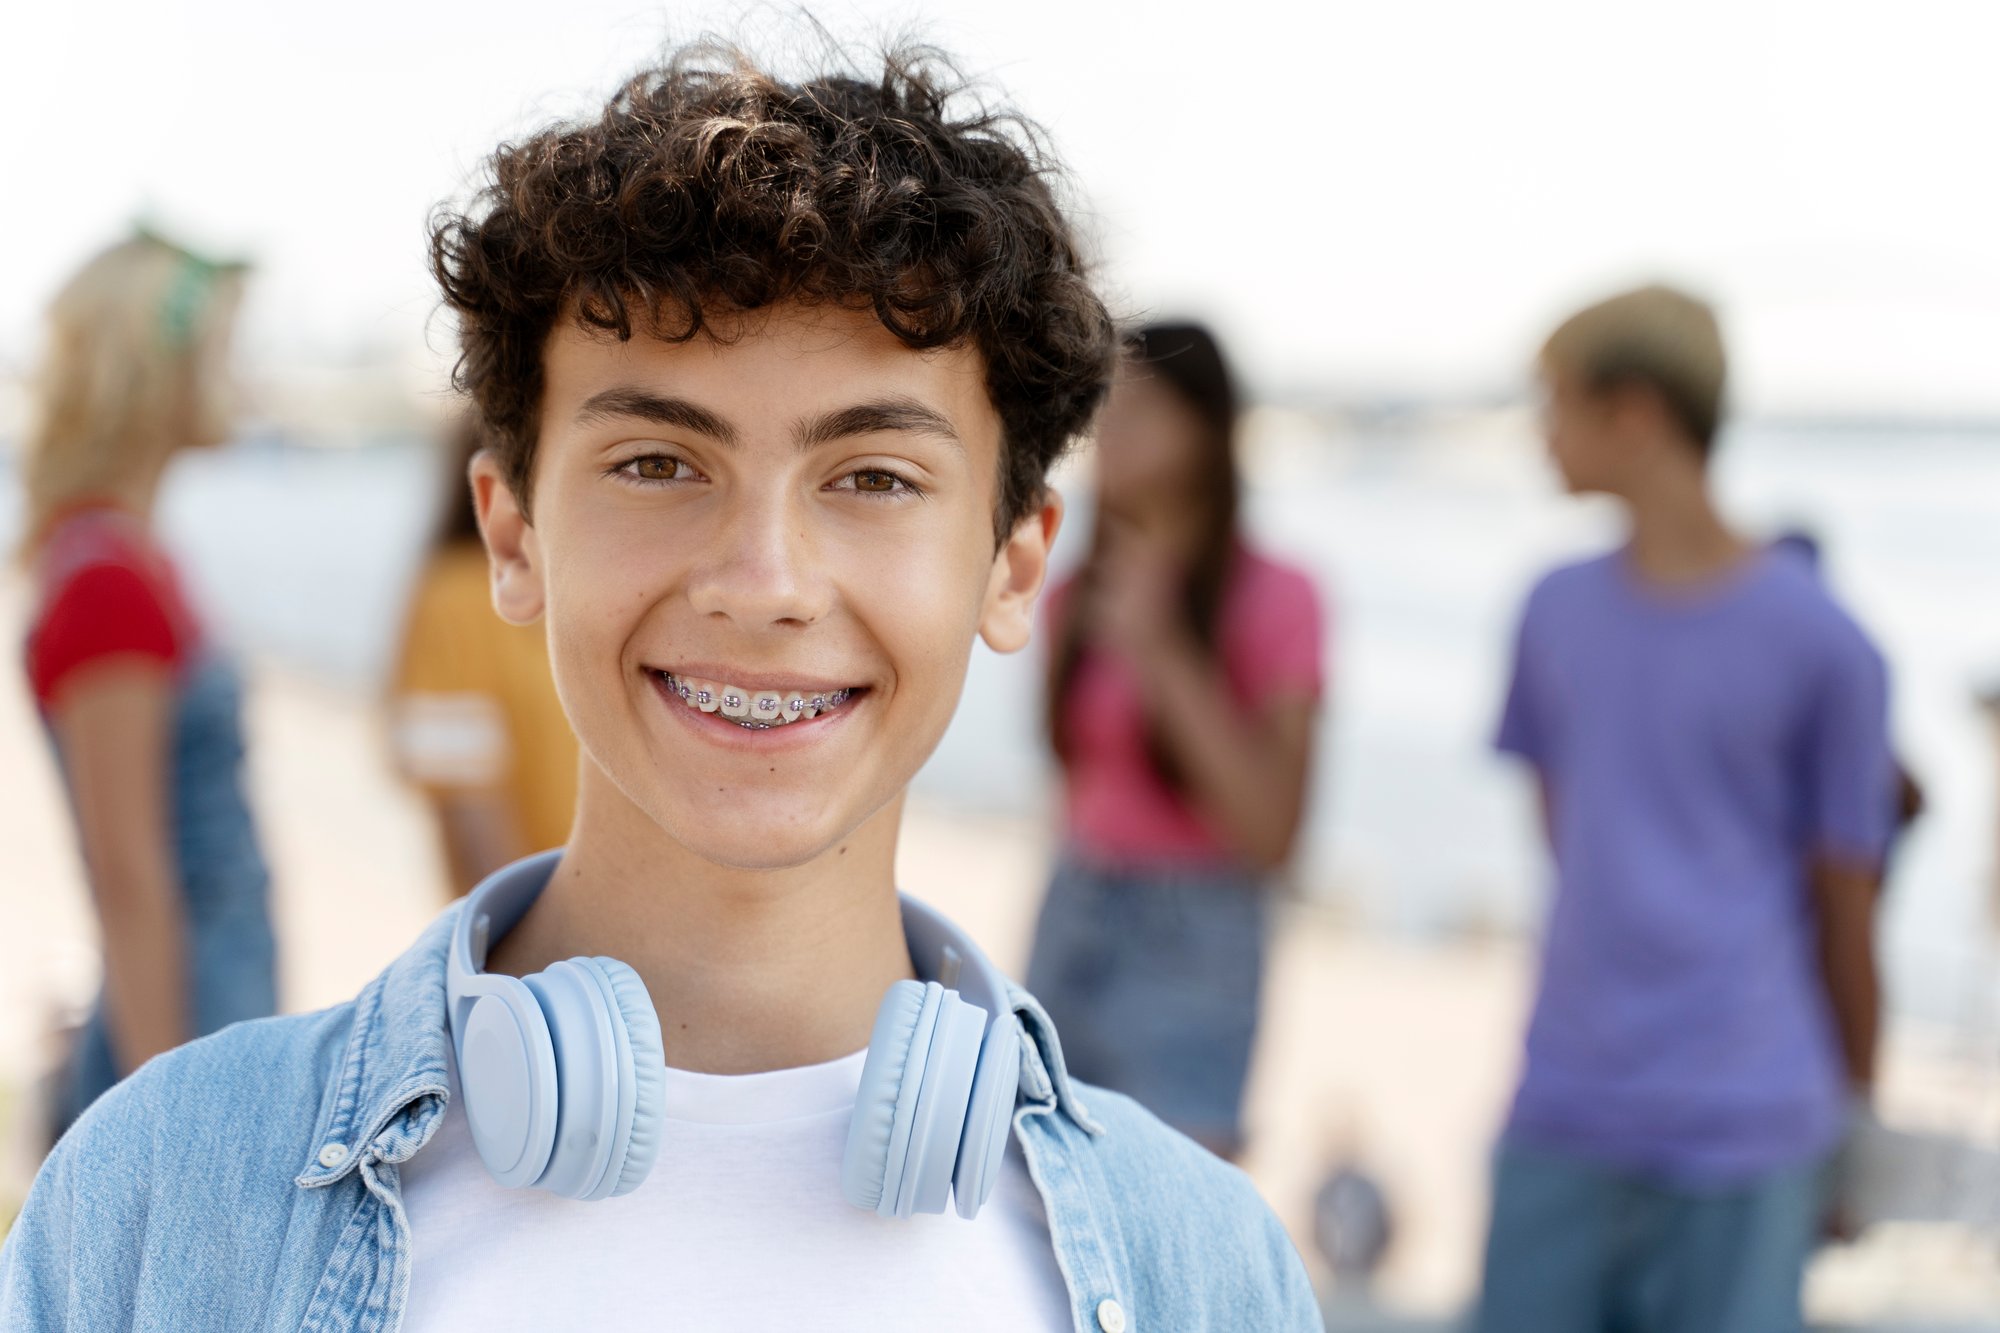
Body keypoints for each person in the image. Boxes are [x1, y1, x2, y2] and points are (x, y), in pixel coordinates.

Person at [0, 40, 1323, 1331]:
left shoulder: (1204, 1268)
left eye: (874, 477)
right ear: (513, 535)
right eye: (657, 463)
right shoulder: (161, 1196)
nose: (763, 581)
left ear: (1016, 567)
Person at [1474, 285, 1896, 1332]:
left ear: (1635, 412)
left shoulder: (1826, 647)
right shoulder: (1550, 610)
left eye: (1555, 402)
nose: (1541, 433)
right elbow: (1567, 839)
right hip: (1563, 1102)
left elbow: (1848, 907)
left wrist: (1850, 1131)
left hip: (1747, 1128)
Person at [1027, 323, 1324, 1160]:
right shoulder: (1076, 592)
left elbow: (1271, 834)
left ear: (1206, 430)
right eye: (1103, 408)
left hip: (1198, 932)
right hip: (1076, 900)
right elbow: (1073, 776)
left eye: (1140, 410)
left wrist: (1161, 649)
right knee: (1040, 1180)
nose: (1110, 431)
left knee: (1178, 1194)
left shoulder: (1281, 596)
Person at [14, 228, 277, 1144]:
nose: (243, 373)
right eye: (222, 350)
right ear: (157, 372)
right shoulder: (108, 577)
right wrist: (170, 1127)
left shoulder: (121, 555)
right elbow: (129, 874)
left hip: (206, 996)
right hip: (187, 1017)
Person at [391, 415, 579, 896]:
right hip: (544, 941)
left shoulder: (589, 590)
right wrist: (535, 956)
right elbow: (468, 817)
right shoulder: (454, 600)